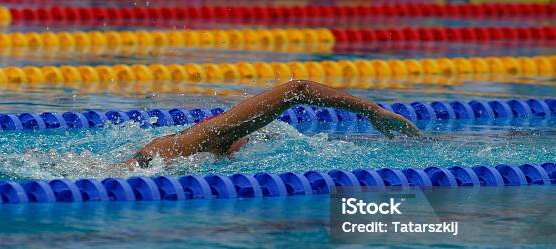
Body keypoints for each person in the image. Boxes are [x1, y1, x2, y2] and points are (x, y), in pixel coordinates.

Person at [125, 80, 421, 169]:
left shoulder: (204, 148)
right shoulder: (212, 137)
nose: (253, 134)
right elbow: (297, 90)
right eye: (249, 132)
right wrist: (371, 110)